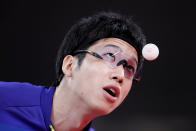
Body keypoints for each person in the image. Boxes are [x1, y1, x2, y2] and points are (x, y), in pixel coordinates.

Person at [0, 11, 147, 131]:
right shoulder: (5, 100)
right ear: (69, 65)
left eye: (129, 68)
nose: (120, 75)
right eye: (110, 55)